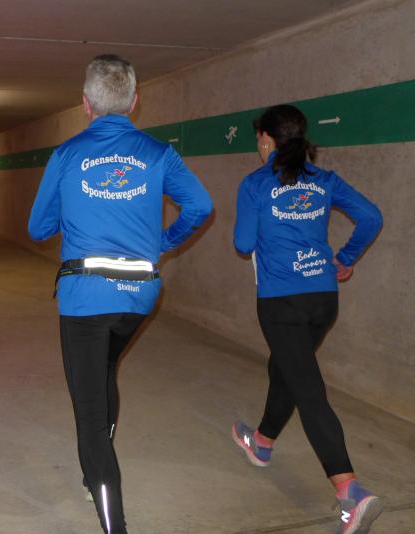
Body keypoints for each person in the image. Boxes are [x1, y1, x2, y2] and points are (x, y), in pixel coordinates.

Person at [28, 54, 212, 534]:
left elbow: (38, 227)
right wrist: (163, 242)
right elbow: (200, 205)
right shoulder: (158, 153)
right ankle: (96, 466)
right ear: (133, 101)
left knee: (88, 414)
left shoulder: (67, 155)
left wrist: (72, 211)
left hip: (85, 298)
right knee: (105, 367)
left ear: (85, 104)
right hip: (139, 295)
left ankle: (113, 521)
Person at [232, 104, 384, 534]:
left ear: (266, 139)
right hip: (323, 299)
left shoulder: (256, 183)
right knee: (285, 368)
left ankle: (349, 491)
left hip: (281, 302)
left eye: (258, 139)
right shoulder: (325, 180)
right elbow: (371, 217)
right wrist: (345, 258)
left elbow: (243, 243)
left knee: (308, 390)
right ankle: (262, 442)